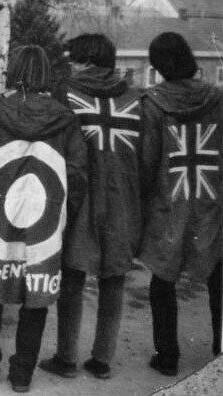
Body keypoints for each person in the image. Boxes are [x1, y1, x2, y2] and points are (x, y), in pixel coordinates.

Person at [0, 45, 87, 392]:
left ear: (12, 70)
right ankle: (22, 377)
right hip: (46, 222)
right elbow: (77, 175)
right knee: (37, 295)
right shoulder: (65, 119)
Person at [40, 33, 142, 380]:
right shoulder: (135, 96)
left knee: (72, 275)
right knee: (114, 278)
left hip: (77, 195)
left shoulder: (66, 93)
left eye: (73, 59)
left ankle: (66, 358)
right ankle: (102, 361)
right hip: (122, 198)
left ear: (84, 60)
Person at [137, 32, 222, 376]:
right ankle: (221, 349)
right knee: (219, 276)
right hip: (212, 200)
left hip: (169, 201)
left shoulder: (153, 103)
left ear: (158, 66)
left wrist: (143, 196)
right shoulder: (218, 98)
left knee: (163, 279)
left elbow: (146, 159)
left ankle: (167, 356)